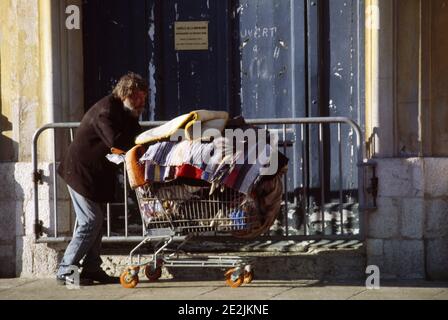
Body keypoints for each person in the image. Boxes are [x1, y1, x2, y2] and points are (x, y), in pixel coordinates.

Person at [56, 72, 148, 285]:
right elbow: (115, 141)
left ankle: (91, 268)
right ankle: (65, 271)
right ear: (125, 93)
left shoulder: (128, 113)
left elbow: (137, 137)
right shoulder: (106, 111)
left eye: (143, 97)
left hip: (96, 173)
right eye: (137, 97)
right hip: (80, 172)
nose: (141, 102)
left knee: (96, 221)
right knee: (91, 220)